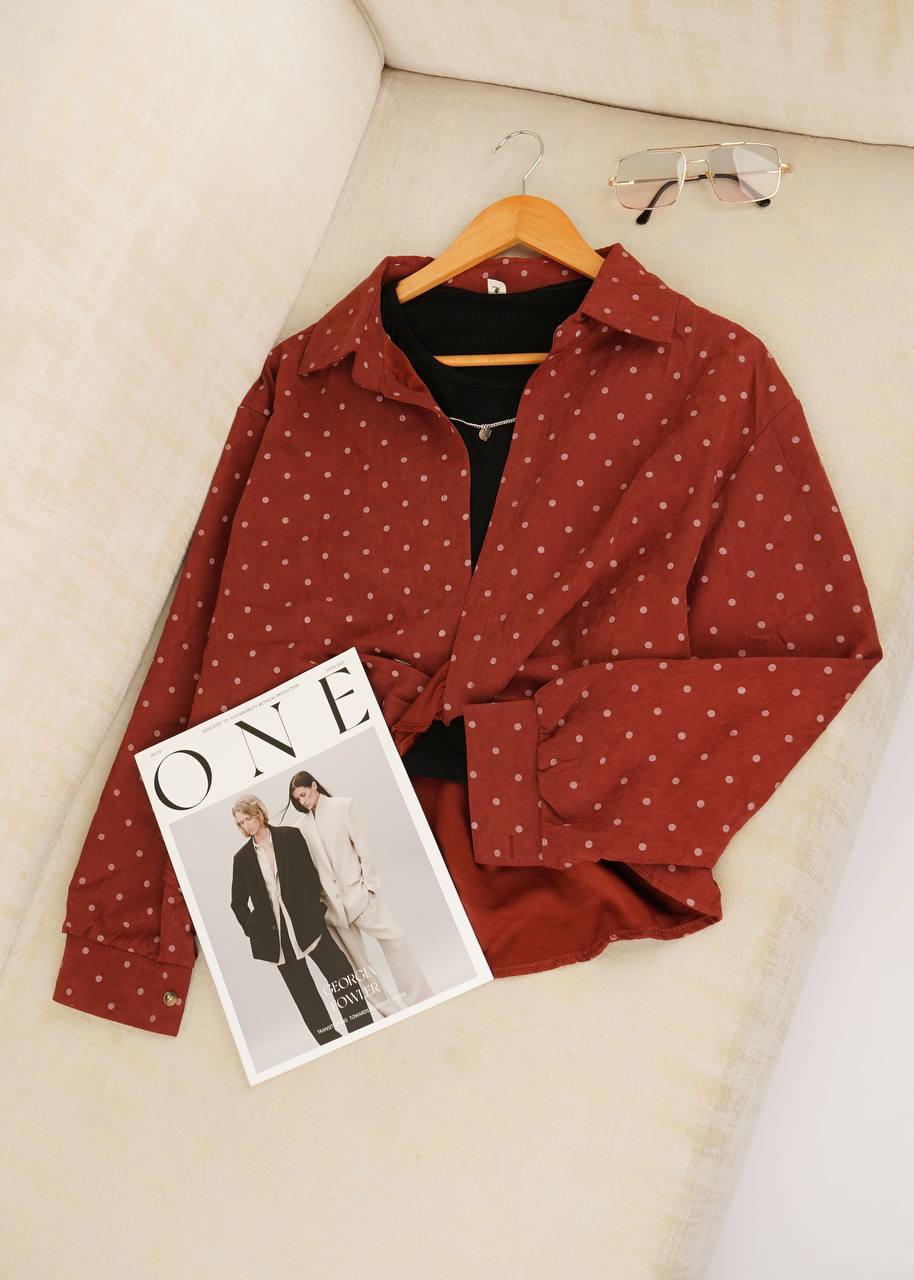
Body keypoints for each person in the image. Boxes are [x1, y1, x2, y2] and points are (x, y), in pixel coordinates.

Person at [229, 795, 374, 1045]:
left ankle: (361, 1028)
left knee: (340, 973)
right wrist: (254, 929)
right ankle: (330, 1041)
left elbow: (310, 876)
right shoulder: (242, 859)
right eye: (241, 823)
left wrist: (313, 910)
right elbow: (238, 902)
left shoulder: (290, 836)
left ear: (259, 813)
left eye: (248, 819)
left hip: (308, 923)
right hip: (276, 936)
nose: (246, 826)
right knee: (304, 993)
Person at [285, 771, 434, 1014]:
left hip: (360, 896)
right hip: (333, 910)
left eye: (303, 794)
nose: (302, 801)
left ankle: (420, 999)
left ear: (313, 786)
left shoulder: (343, 807)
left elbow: (364, 848)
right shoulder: (300, 828)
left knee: (395, 939)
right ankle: (389, 1012)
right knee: (359, 966)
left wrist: (370, 887)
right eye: (298, 799)